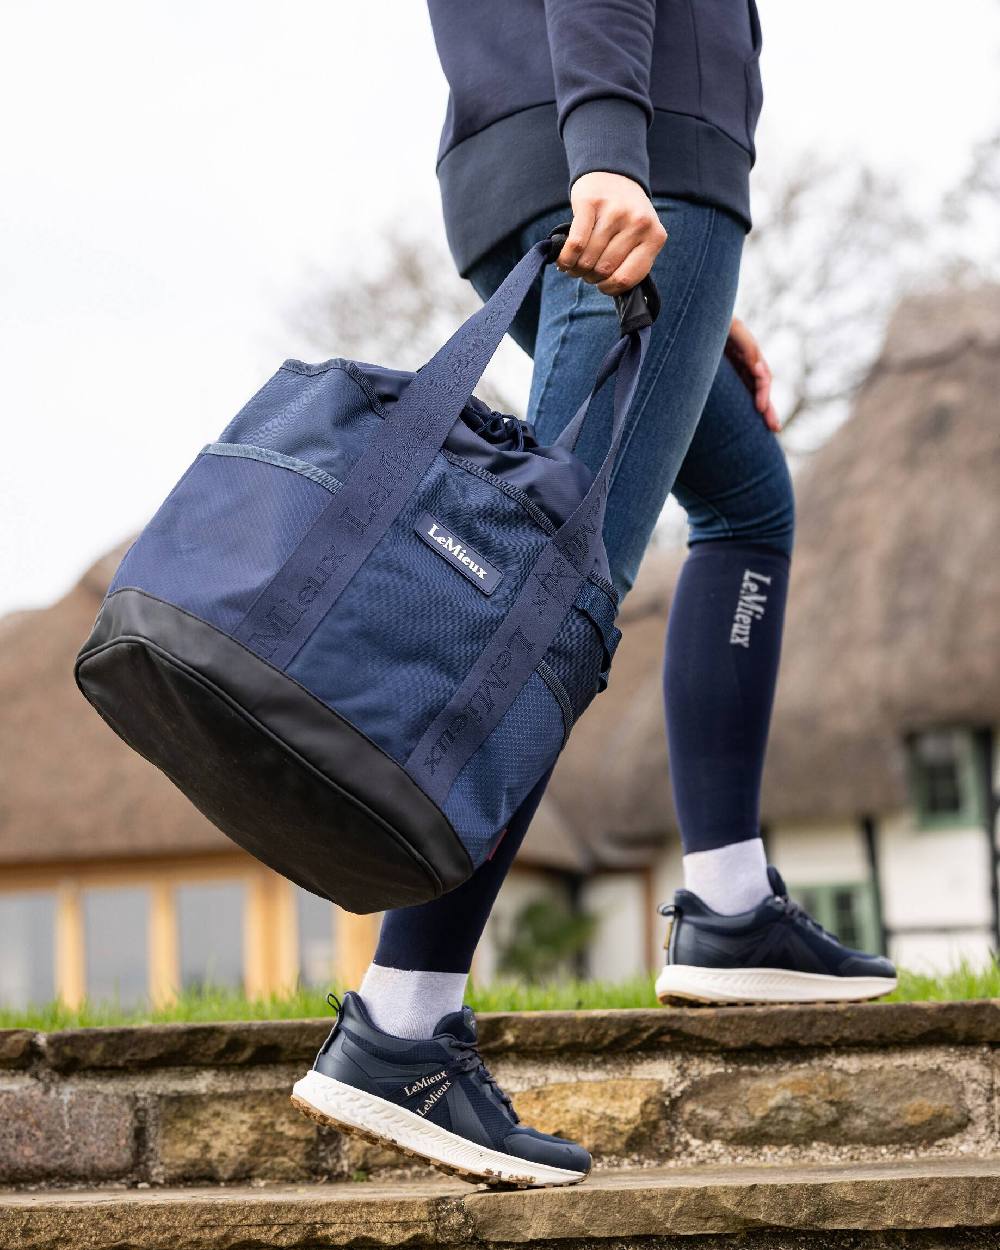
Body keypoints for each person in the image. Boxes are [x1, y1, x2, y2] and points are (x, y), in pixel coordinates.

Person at [291, 0, 896, 1188]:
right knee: (550, 593)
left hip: (559, 153)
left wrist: (667, 253)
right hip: (627, 153)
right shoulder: (618, 147)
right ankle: (402, 1020)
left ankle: (727, 901)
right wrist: (613, 150)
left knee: (745, 503)